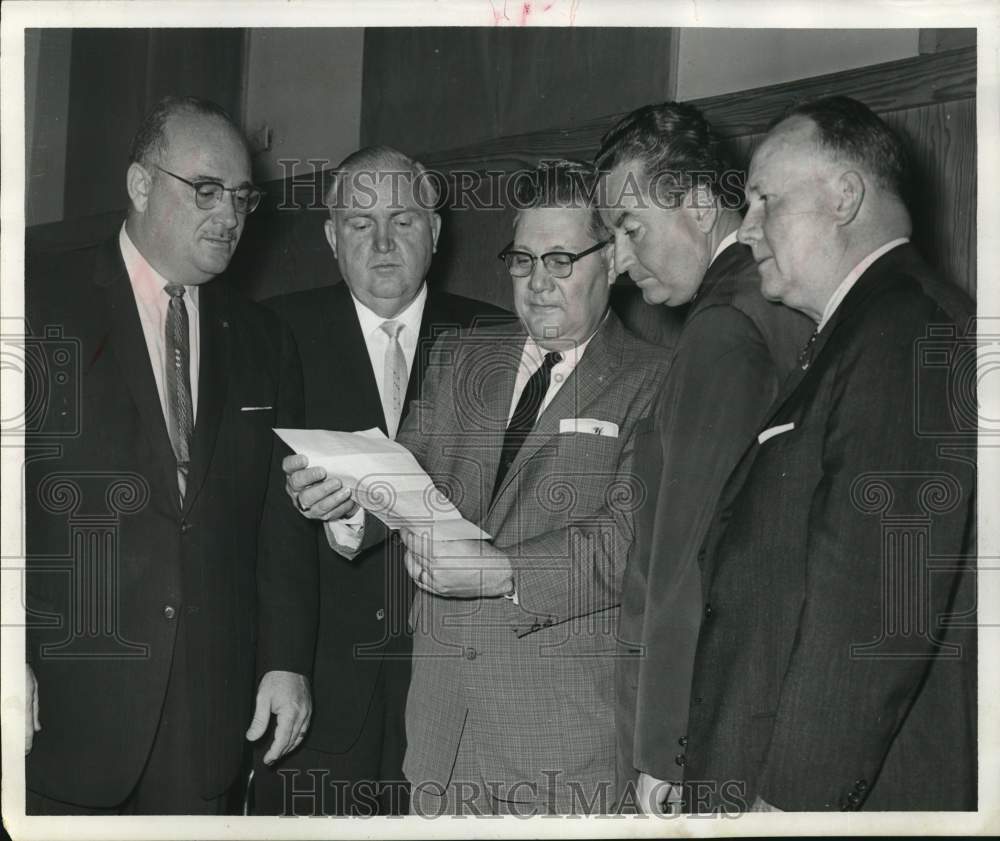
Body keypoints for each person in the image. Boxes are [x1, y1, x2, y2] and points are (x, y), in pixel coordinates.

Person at [289, 160, 670, 814]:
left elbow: (629, 543)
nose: (538, 284)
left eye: (560, 259)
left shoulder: (657, 380)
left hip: (562, 748)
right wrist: (349, 501)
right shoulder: (463, 355)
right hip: (441, 734)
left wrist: (501, 572)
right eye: (522, 260)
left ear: (614, 258)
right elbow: (406, 476)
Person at [24, 96, 316, 815]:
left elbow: (279, 521)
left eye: (242, 197)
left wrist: (285, 659)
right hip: (61, 709)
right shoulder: (36, 300)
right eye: (206, 190)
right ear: (140, 184)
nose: (230, 216)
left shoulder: (265, 340)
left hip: (208, 721)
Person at [683, 95, 976, 811]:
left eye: (764, 201)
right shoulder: (864, 327)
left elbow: (878, 604)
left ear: (844, 196)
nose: (747, 231)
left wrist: (788, 805)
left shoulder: (905, 328)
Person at [256, 146, 510, 815]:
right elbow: (262, 527)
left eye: (402, 218)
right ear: (332, 237)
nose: (383, 241)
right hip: (320, 687)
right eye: (360, 222)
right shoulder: (274, 332)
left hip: (461, 690)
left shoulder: (499, 337)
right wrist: (279, 662)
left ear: (435, 229)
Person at [593, 102, 813, 813]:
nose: (620, 264)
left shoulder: (723, 328)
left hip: (715, 730)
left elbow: (685, 558)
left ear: (694, 203)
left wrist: (664, 749)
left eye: (630, 230)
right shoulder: (775, 301)